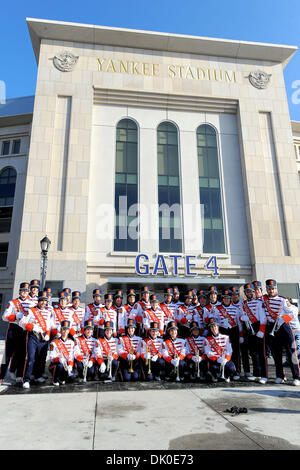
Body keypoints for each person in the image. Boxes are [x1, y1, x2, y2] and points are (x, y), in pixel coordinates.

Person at [262, 279, 300, 386]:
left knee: (291, 352)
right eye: (269, 288)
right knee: (276, 353)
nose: (271, 290)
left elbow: (294, 311)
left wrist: (283, 319)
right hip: (272, 328)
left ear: (276, 289)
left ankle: (297, 376)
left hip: (284, 327)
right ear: (267, 289)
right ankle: (280, 376)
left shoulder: (282, 300)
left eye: (273, 288)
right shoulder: (264, 299)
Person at [20, 290, 52, 389]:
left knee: (41, 358)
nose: (43, 302)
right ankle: (26, 379)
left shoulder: (48, 312)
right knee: (31, 358)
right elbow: (22, 322)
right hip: (33, 336)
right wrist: (32, 327)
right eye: (41, 300)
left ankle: (38, 376)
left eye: (45, 301)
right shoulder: (31, 310)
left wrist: (47, 334)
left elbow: (48, 326)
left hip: (43, 337)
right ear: (38, 300)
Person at [0, 282, 30, 383]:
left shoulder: (31, 303)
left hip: (23, 330)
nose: (25, 292)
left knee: (21, 354)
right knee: (8, 353)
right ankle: (2, 375)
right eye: (23, 290)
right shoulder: (12, 302)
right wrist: (15, 316)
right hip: (13, 328)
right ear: (20, 291)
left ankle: (19, 375)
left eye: (26, 291)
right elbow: (4, 317)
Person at [209, 288, 242, 380]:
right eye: (224, 298)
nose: (226, 300)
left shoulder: (236, 309)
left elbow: (239, 323)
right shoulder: (217, 309)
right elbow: (215, 322)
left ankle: (236, 371)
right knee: (222, 352)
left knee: (235, 352)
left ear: (230, 299)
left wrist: (241, 335)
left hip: (234, 331)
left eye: (228, 298)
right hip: (222, 331)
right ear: (222, 299)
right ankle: (223, 371)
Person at [240, 283, 268, 384]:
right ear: (245, 293)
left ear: (253, 292)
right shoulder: (243, 304)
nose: (249, 293)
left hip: (258, 328)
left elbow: (263, 318)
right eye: (247, 291)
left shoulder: (259, 302)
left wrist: (261, 330)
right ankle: (257, 374)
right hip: (249, 329)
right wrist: (242, 318)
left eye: (250, 291)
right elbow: (239, 316)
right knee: (253, 353)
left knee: (261, 354)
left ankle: (264, 375)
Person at [49, 320, 75, 386]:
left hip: (66, 365)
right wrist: (58, 359)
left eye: (67, 329)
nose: (65, 331)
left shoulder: (71, 342)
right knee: (60, 366)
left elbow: (71, 357)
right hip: (56, 365)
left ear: (69, 331)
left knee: (72, 377)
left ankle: (61, 378)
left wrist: (70, 366)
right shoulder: (54, 342)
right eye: (63, 329)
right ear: (60, 330)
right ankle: (55, 380)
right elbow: (51, 357)